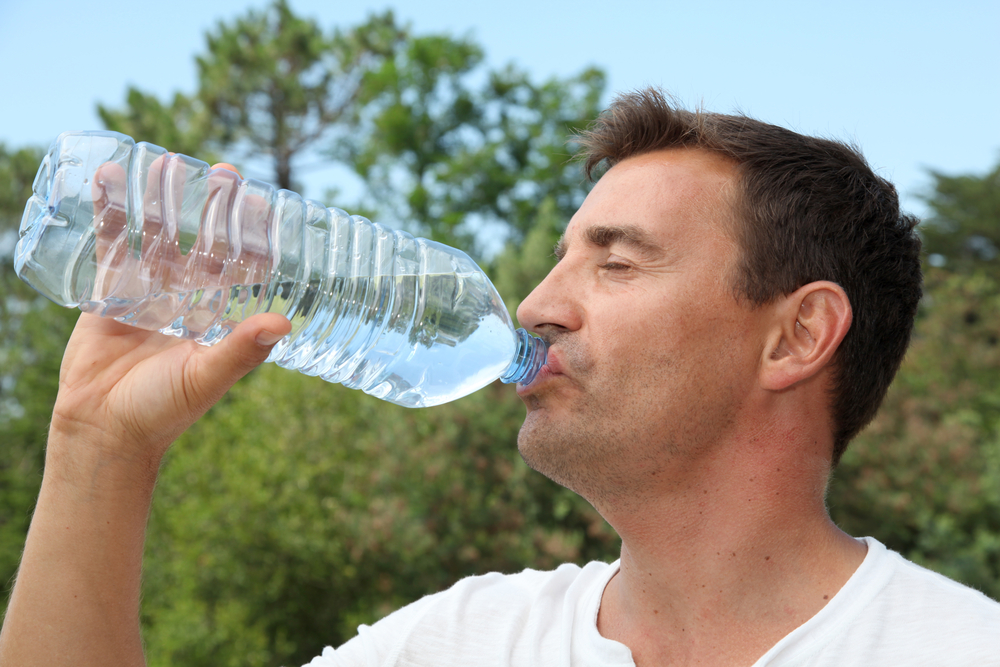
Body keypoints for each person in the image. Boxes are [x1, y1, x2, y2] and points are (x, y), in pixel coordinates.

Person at [1, 87, 997, 666]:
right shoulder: (463, 643)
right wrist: (101, 450)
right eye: (559, 257)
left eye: (614, 260)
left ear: (795, 336)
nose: (534, 304)